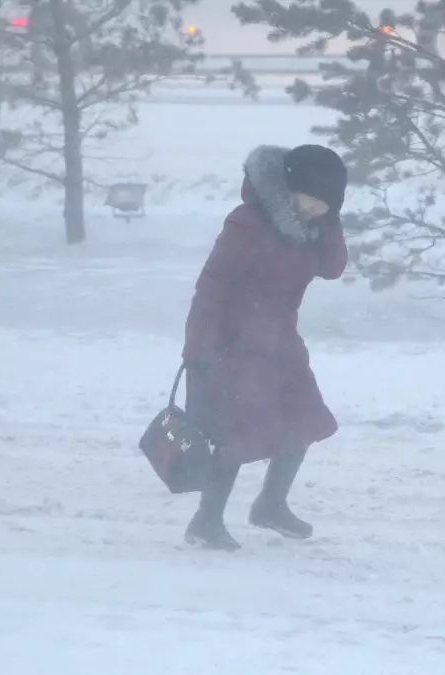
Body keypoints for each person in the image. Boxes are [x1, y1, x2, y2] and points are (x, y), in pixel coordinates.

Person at [180, 144, 349, 551]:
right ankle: (206, 522)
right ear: (292, 187)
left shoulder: (313, 228)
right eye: (312, 199)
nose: (315, 210)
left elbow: (333, 268)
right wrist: (198, 351)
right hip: (232, 344)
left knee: (302, 420)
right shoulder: (248, 224)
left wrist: (330, 224)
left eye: (325, 206)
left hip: (280, 342)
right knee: (237, 435)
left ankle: (270, 505)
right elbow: (211, 287)